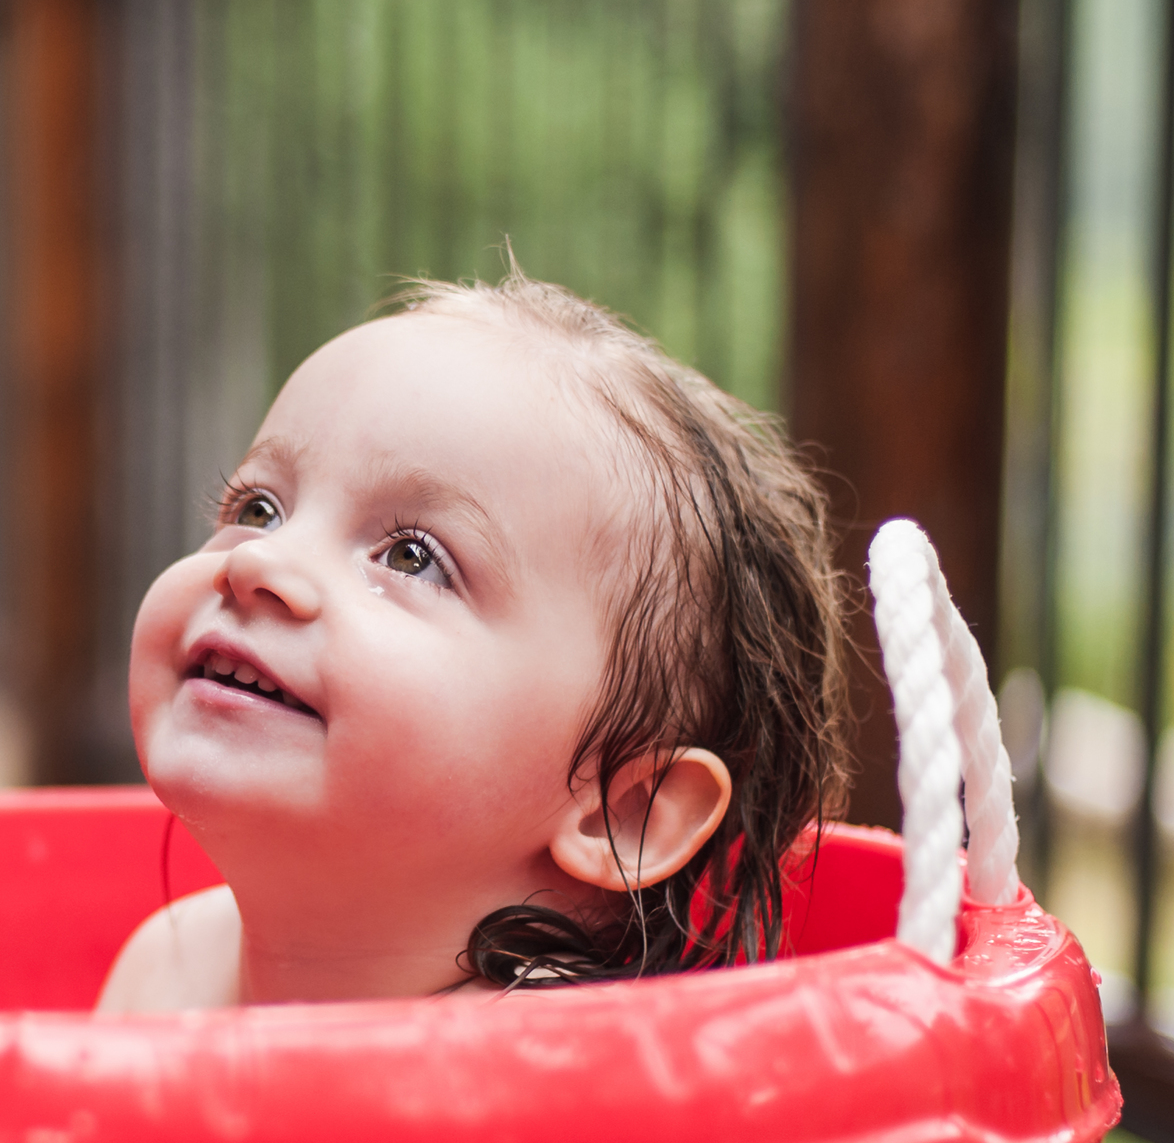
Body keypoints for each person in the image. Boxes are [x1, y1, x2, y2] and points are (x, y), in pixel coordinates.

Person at [97, 272, 850, 1012]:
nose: (260, 562)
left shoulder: (561, 1075)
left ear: (621, 813)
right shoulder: (162, 974)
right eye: (260, 508)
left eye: (412, 557)